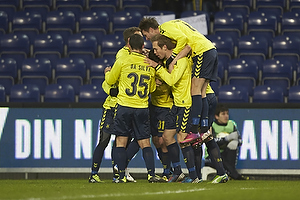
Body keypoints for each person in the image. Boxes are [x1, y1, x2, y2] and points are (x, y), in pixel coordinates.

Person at [139, 17, 218, 150]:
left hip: (201, 51)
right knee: (201, 91)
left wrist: (173, 59)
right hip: (209, 49)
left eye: (146, 35)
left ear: (152, 29)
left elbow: (183, 40)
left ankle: (194, 129)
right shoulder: (172, 24)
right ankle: (203, 127)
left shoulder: (165, 28)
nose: (147, 39)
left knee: (196, 89)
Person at [105, 34, 163, 183]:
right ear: (143, 47)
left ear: (129, 46)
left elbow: (111, 80)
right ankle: (151, 175)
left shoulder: (123, 60)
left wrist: (107, 73)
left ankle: (121, 176)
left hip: (124, 106)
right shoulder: (149, 64)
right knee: (144, 142)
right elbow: (151, 89)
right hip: (142, 108)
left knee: (121, 141)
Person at [88, 27, 143, 183]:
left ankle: (119, 173)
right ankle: (94, 173)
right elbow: (110, 81)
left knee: (123, 141)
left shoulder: (135, 56)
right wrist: (112, 89)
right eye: (138, 37)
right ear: (130, 41)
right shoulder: (123, 55)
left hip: (125, 105)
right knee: (105, 140)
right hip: (113, 106)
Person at [145, 34, 200, 183]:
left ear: (164, 47)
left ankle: (194, 177)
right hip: (176, 105)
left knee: (183, 140)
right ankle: (177, 172)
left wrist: (156, 67)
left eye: (156, 49)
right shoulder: (170, 61)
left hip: (185, 105)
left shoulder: (180, 61)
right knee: (167, 137)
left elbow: (171, 80)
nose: (154, 52)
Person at [148, 49, 173, 180]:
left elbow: (172, 81)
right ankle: (168, 167)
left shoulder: (167, 67)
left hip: (166, 107)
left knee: (163, 140)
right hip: (154, 106)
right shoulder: (149, 69)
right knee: (156, 141)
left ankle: (167, 171)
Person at [206, 104, 249, 180]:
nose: (226, 116)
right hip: (212, 156)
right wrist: (226, 139)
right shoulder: (212, 125)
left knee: (233, 144)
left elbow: (240, 141)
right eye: (223, 114)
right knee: (221, 158)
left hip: (227, 154)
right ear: (216, 116)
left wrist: (234, 141)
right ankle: (235, 175)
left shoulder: (231, 124)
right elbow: (211, 141)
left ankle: (230, 174)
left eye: (227, 114)